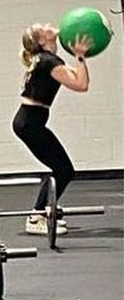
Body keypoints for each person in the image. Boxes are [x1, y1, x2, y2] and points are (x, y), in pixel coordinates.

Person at [14, 23, 94, 236]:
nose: (49, 25)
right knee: (64, 170)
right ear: (42, 40)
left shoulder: (46, 60)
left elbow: (78, 78)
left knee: (61, 169)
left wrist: (79, 58)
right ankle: (36, 217)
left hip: (29, 122)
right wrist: (79, 56)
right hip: (30, 124)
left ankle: (45, 210)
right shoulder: (48, 61)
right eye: (43, 27)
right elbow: (81, 85)